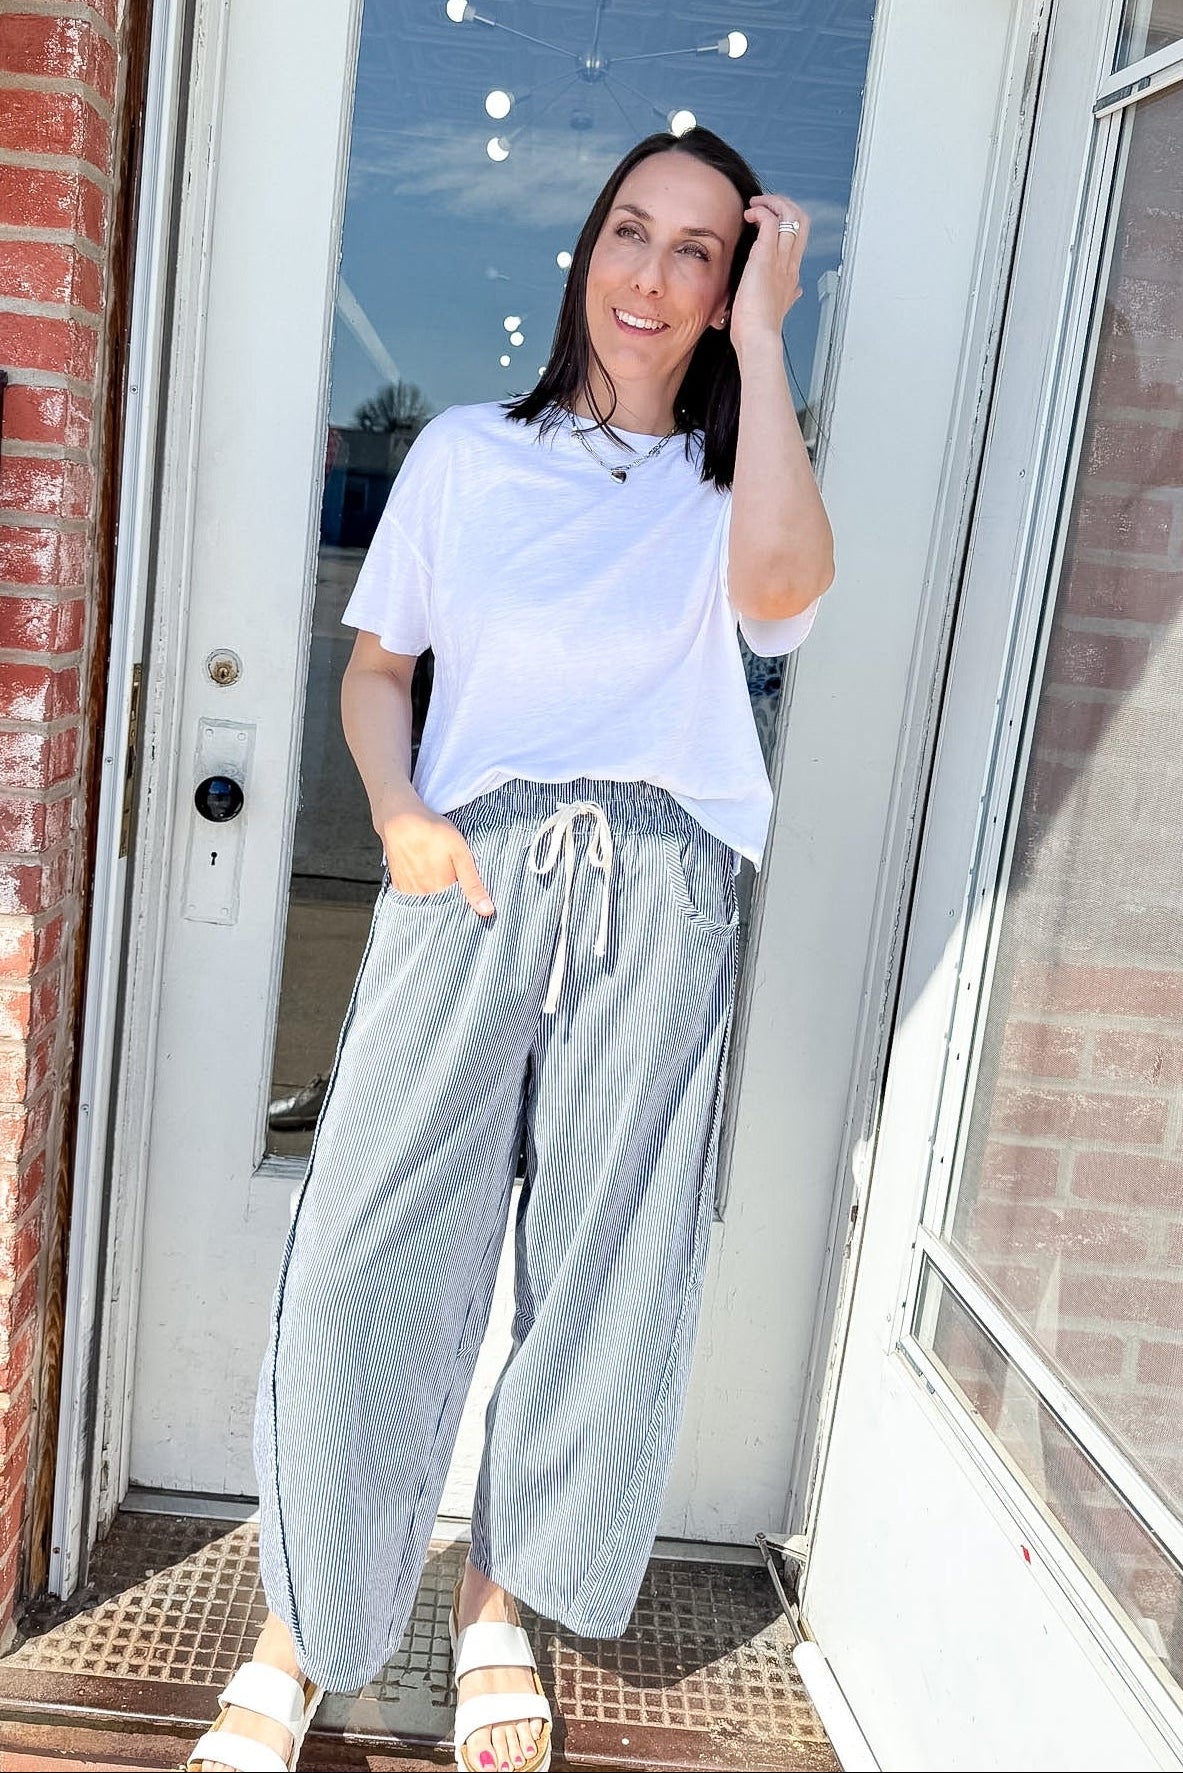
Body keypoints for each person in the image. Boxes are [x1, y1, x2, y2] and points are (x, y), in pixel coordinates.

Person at [187, 124, 834, 1773]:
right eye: (636, 233)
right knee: (366, 1257)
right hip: (471, 867)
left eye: (703, 252)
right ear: (586, 253)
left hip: (666, 883)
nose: (658, 276)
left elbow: (782, 597)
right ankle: (304, 1622)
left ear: (731, 281)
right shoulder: (472, 453)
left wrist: (766, 345)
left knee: (607, 1270)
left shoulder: (738, 463)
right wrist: (402, 815)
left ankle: (499, 1599)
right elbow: (376, 669)